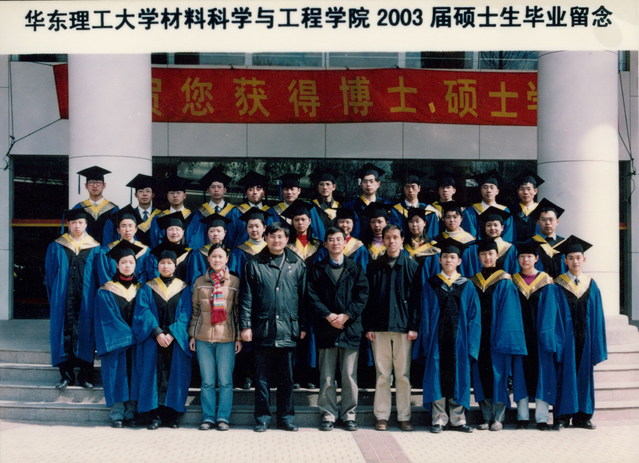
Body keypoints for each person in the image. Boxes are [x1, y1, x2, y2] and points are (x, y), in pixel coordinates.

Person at [240, 222, 307, 432]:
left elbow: (303, 298)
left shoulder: (297, 264)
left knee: (287, 378)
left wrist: (303, 325)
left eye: (280, 236)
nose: (276, 240)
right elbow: (246, 298)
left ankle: (286, 418)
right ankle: (262, 418)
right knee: (261, 378)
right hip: (263, 328)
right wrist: (246, 326)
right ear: (266, 238)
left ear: (287, 239)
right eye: (272, 236)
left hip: (288, 328)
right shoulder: (254, 263)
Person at [415, 238, 480, 434]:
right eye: (445, 257)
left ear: (459, 261)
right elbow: (425, 314)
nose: (448, 260)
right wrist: (427, 340)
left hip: (460, 341)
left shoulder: (467, 285)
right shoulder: (431, 284)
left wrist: (472, 345)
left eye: (452, 257)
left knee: (459, 376)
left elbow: (474, 318)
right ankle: (439, 418)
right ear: (439, 260)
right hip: (437, 340)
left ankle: (458, 419)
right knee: (437, 376)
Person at [306, 227, 369, 431]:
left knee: (349, 376)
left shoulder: (355, 268)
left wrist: (346, 315)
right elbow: (311, 295)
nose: (335, 243)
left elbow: (362, 295)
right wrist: (328, 315)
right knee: (326, 376)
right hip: (326, 328)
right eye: (331, 240)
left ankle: (349, 414)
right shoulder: (317, 269)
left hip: (349, 328)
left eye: (339, 239)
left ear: (344, 242)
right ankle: (328, 414)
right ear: (325, 244)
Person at [364, 224, 420, 432]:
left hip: (404, 328)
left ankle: (404, 416)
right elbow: (368, 299)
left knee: (403, 375)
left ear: (402, 239)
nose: (391, 241)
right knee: (382, 374)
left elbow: (416, 300)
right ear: (383, 240)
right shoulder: (374, 266)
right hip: (379, 327)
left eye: (395, 237)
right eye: (388, 237)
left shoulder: (411, 266)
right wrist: (369, 326)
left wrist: (413, 327)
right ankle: (382, 416)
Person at [133, 243, 192, 430]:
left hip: (176, 340)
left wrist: (173, 333)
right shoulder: (147, 287)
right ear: (157, 265)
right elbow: (143, 311)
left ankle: (171, 415)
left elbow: (186, 314)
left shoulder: (184, 288)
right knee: (152, 375)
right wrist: (157, 332)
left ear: (175, 265)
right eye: (162, 263)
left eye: (169, 263)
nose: (166, 266)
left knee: (175, 376)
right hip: (153, 339)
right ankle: (154, 415)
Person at [470, 239, 527, 431]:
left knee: (498, 375)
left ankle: (498, 417)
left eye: (490, 254)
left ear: (497, 255)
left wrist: (502, 338)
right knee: (482, 375)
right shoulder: (474, 281)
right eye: (483, 254)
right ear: (479, 257)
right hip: (479, 337)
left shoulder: (505, 281)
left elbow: (509, 314)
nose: (487, 257)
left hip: (497, 337)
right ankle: (486, 416)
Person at [553, 236, 607, 430]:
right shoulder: (558, 284)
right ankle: (562, 416)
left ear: (584, 259)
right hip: (566, 339)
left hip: (585, 337)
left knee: (584, 376)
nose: (575, 262)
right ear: (565, 261)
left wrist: (597, 342)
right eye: (571, 258)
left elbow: (598, 316)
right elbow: (555, 316)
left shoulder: (591, 284)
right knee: (565, 376)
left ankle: (583, 417)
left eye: (578, 257)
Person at [511, 241, 565, 431]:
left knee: (542, 375)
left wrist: (547, 336)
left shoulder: (547, 282)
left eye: (529, 256)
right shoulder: (512, 281)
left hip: (540, 338)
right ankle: (522, 417)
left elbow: (550, 313)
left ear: (536, 259)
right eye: (522, 256)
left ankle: (542, 418)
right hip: (520, 336)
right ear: (517, 259)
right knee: (521, 375)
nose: (525, 260)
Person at [45, 208, 100, 389]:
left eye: (80, 222)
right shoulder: (56, 246)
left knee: (86, 332)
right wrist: (56, 299)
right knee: (63, 333)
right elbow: (50, 277)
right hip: (63, 297)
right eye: (74, 222)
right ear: (68, 224)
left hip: (87, 299)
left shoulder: (95, 248)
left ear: (86, 224)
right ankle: (66, 376)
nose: (77, 226)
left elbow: (98, 277)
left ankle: (85, 376)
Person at [189, 243, 242, 431]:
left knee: (225, 381)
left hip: (226, 338)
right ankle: (208, 417)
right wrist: (193, 335)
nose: (217, 260)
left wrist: (238, 338)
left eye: (221, 256)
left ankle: (223, 417)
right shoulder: (199, 282)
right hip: (203, 338)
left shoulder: (234, 282)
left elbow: (237, 312)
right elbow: (195, 311)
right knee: (207, 381)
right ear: (208, 259)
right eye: (214, 256)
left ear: (227, 259)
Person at [94, 240, 144, 428]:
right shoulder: (105, 290)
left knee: (134, 373)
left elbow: (145, 313)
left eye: (131, 262)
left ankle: (131, 410)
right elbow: (107, 318)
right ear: (117, 265)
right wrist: (129, 335)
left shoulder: (142, 289)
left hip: (137, 341)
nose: (127, 265)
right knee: (117, 374)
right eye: (123, 262)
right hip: (118, 341)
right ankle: (117, 411)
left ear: (136, 264)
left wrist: (138, 333)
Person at [229, 207, 269, 390]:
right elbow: (234, 276)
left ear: (264, 228)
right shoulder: (239, 251)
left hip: (266, 302)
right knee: (246, 339)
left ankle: (264, 376)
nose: (254, 230)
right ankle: (245, 376)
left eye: (257, 226)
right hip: (246, 300)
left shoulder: (271, 250)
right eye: (250, 226)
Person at [95, 206, 150, 286]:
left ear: (136, 229)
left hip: (138, 291)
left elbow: (145, 275)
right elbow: (104, 276)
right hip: (113, 291)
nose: (127, 230)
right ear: (118, 230)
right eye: (123, 226)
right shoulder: (106, 251)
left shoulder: (145, 251)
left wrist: (135, 289)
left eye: (130, 226)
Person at [190, 167, 241, 250]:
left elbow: (237, 235)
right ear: (208, 190)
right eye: (213, 187)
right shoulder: (200, 212)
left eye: (219, 187)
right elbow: (196, 236)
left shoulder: (234, 212)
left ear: (225, 190)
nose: (216, 190)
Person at [269, 172, 325, 241]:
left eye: (292, 189)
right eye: (286, 189)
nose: (289, 192)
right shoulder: (273, 211)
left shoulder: (309, 209)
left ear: (299, 190)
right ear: (282, 191)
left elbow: (319, 233)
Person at [462, 170, 514, 242]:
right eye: (485, 187)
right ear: (481, 190)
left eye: (492, 187)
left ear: (497, 191)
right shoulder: (470, 211)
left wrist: (501, 247)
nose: (488, 190)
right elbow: (470, 236)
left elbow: (508, 236)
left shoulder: (505, 211)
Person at [464, 207, 517, 277]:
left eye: (495, 225)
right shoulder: (475, 247)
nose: (492, 228)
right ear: (484, 228)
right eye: (489, 225)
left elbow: (515, 271)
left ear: (502, 228)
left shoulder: (510, 248)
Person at [73, 165, 119, 245]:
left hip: (107, 251)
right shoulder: (78, 208)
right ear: (86, 186)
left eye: (98, 182)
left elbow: (118, 235)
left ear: (104, 185)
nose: (94, 185)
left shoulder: (114, 209)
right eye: (91, 182)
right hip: (84, 252)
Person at [343, 163, 390, 240]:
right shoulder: (350, 206)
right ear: (361, 184)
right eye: (365, 181)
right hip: (357, 245)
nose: (368, 184)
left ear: (378, 184)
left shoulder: (385, 205)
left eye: (371, 181)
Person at [390, 168, 439, 239]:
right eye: (407, 187)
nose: (410, 190)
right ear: (403, 189)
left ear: (419, 188)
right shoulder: (395, 211)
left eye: (413, 186)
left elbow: (433, 236)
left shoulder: (429, 212)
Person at [149, 174, 196, 248]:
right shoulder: (158, 218)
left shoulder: (194, 217)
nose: (175, 196)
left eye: (178, 192)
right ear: (167, 196)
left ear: (184, 195)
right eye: (171, 193)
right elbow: (155, 242)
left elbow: (196, 241)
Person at [146, 212, 192, 283]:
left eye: (177, 229)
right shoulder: (156, 252)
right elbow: (153, 275)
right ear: (166, 231)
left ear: (183, 231)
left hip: (184, 288)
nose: (174, 232)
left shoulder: (190, 253)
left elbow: (191, 275)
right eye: (170, 229)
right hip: (160, 287)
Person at [186, 213, 232, 284]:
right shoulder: (197, 254)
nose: (215, 234)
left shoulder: (231, 254)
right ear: (207, 233)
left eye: (218, 231)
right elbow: (194, 277)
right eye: (212, 231)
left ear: (225, 232)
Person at [234, 170, 274, 246]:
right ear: (246, 193)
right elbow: (230, 237)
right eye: (250, 189)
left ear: (263, 192)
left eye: (258, 189)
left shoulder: (271, 212)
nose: (255, 192)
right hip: (241, 251)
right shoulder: (236, 212)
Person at [530, 198, 567, 278]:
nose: (547, 223)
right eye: (544, 220)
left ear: (557, 222)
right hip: (539, 284)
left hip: (562, 284)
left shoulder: (565, 243)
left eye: (551, 219)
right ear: (538, 222)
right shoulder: (531, 243)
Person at [125, 174, 161, 247]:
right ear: (135, 195)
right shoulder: (130, 215)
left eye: (148, 191)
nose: (144, 194)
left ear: (153, 195)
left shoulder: (160, 215)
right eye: (141, 191)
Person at [403, 207, 440, 275]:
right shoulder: (403, 246)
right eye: (411, 221)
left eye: (417, 221)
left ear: (424, 223)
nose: (414, 225)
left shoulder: (433, 247)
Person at [511, 172, 544, 243]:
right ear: (518, 191)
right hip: (516, 246)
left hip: (537, 246)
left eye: (529, 189)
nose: (525, 192)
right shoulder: (512, 210)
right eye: (522, 189)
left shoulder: (541, 209)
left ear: (535, 191)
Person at [310, 167, 341, 231]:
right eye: (321, 184)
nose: (324, 187)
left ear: (334, 187)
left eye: (328, 184)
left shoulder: (340, 207)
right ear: (318, 188)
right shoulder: (311, 207)